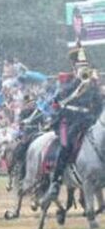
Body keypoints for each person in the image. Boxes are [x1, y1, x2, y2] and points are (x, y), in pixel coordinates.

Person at [44, 43, 102, 201]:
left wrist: (93, 116)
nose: (83, 70)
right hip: (69, 121)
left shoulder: (92, 84)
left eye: (85, 67)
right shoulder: (67, 82)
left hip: (88, 121)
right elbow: (59, 99)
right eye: (80, 67)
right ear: (74, 67)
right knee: (66, 145)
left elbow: (98, 105)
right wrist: (78, 81)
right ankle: (56, 182)